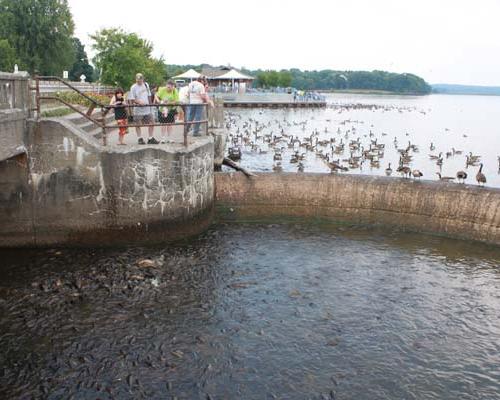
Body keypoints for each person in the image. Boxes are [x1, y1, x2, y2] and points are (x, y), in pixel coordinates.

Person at [127, 73, 159, 144]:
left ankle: (150, 138)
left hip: (147, 108)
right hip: (138, 109)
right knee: (138, 124)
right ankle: (139, 138)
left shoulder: (146, 84)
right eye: (138, 79)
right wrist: (139, 102)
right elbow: (132, 99)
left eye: (141, 79)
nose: (139, 81)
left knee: (152, 122)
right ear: (136, 79)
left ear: (143, 79)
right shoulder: (133, 87)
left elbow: (149, 95)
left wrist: (150, 104)